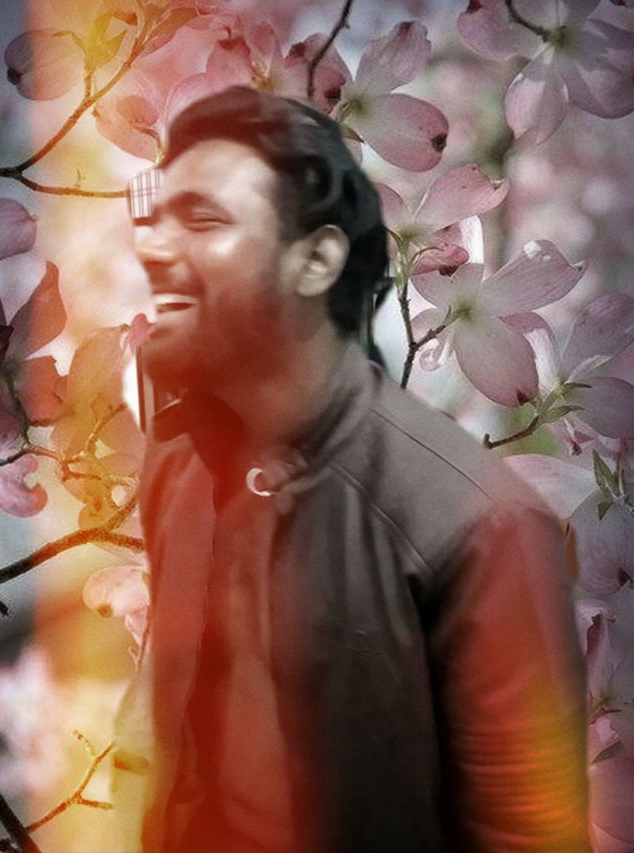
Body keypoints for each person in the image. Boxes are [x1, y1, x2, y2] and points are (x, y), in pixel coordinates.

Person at [120, 85, 590, 852]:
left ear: (316, 259)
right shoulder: (177, 465)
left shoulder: (479, 528)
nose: (153, 248)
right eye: (155, 214)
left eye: (203, 220)